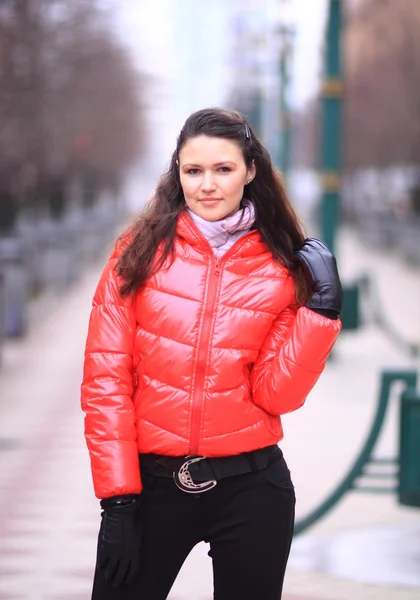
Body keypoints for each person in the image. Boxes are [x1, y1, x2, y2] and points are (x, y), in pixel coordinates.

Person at [80, 107, 342, 600]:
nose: (207, 185)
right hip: (150, 489)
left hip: (252, 486)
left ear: (251, 170)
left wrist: (320, 316)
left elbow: (276, 394)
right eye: (193, 170)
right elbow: (105, 384)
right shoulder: (137, 254)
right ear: (177, 173)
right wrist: (117, 501)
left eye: (223, 169)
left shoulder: (281, 264)